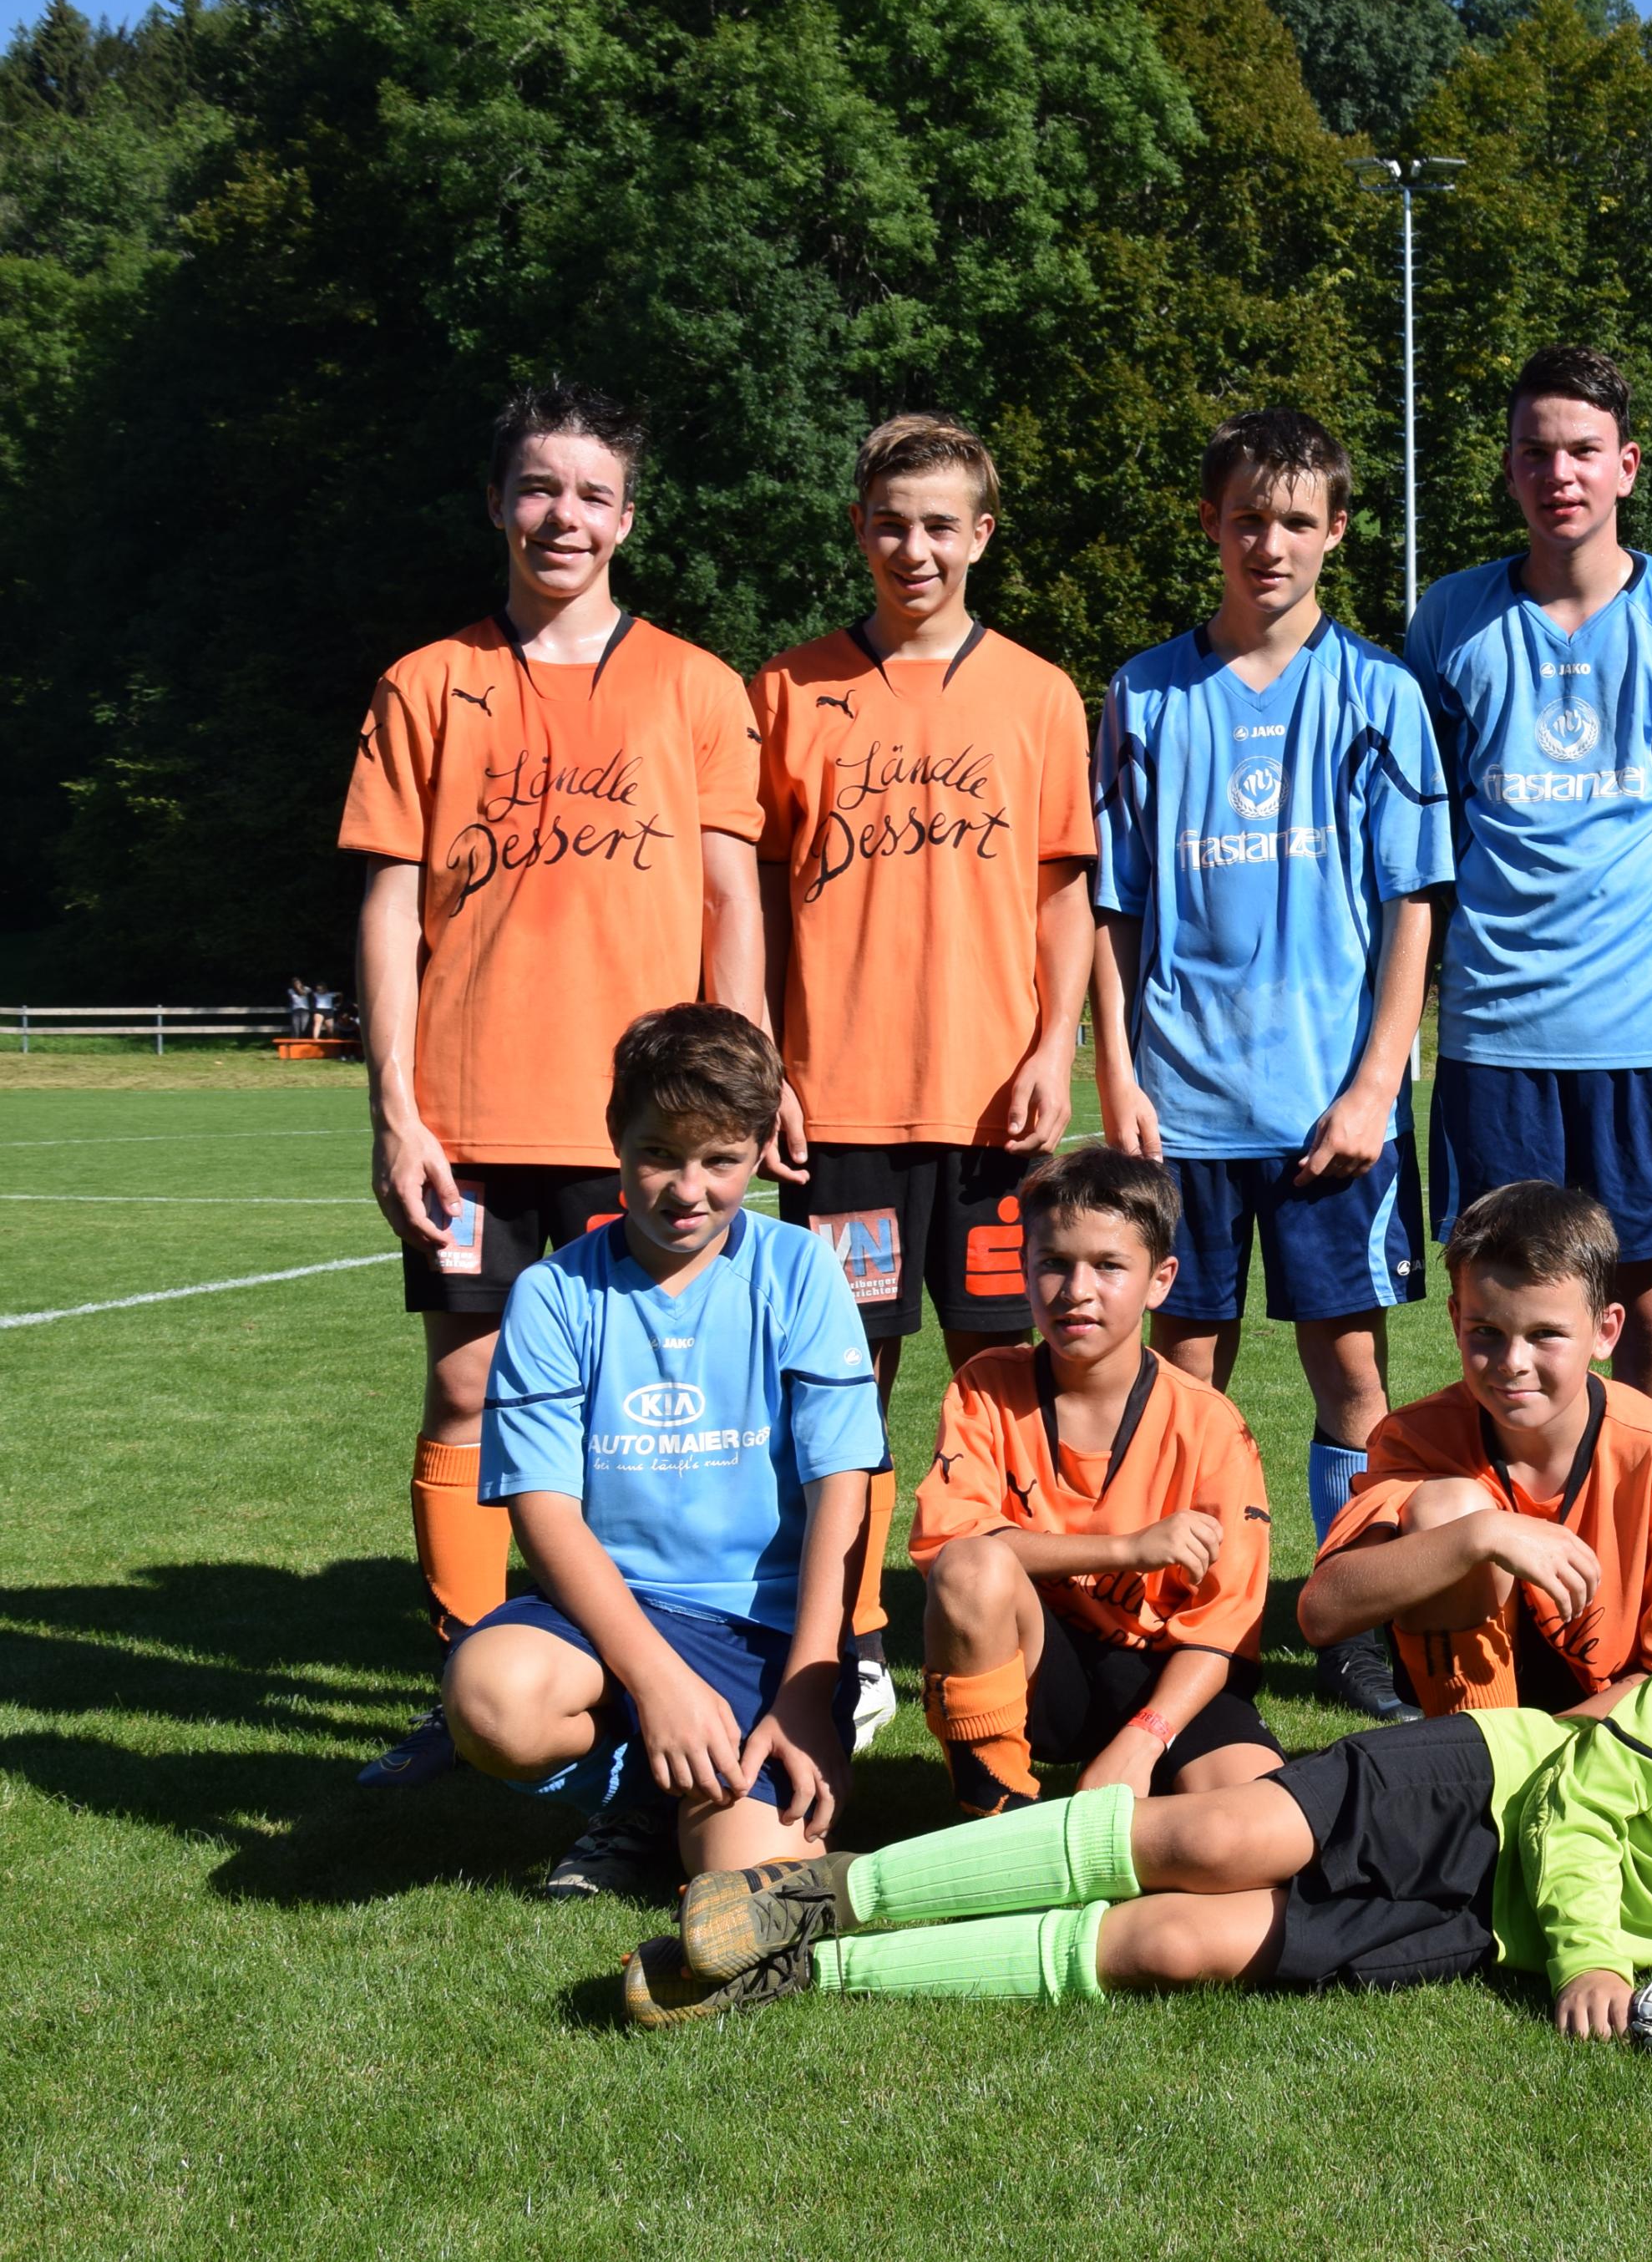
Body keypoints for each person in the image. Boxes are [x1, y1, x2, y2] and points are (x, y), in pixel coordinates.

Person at [621, 1433, 1652, 2030]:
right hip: (1499, 1787)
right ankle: (823, 1892)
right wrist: (1600, 1948)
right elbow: (1591, 1799)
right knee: (1210, 1835)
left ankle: (815, 1972)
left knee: (1177, 1944)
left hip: (1500, 1925)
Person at [342, 382, 772, 1788]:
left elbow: (730, 897)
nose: (563, 517)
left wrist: (742, 1087)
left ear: (628, 518)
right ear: (496, 503)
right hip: (470, 1116)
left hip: (642, 1129)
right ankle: (464, 1679)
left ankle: (649, 1681)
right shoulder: (425, 682)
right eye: (539, 488)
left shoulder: (697, 686)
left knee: (644, 1414)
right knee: (466, 1393)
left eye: (592, 494)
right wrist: (395, 1107)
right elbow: (389, 905)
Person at [1088, 408, 1450, 1722]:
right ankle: (1193, 1613)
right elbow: (1113, 909)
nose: (1271, 542)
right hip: (1182, 1107)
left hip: (1326, 1114)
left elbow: (1414, 902)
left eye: (1298, 519)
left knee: (1351, 1376)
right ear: (1211, 523)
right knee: (1186, 1379)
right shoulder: (1145, 693)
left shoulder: (1381, 695)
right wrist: (1118, 1073)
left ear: (1337, 530)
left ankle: (1350, 1624)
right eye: (1248, 517)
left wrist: (1375, 1085)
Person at [751, 412, 1098, 1752]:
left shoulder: (1040, 693)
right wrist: (768, 1062)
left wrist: (1050, 1046)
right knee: (845, 1390)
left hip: (993, 1110)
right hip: (840, 1105)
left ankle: (1027, 1628)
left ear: (982, 535)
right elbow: (753, 901)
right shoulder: (789, 689)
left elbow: (1063, 894)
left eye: (941, 524)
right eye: (891, 523)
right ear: (859, 530)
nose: (915, 548)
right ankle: (848, 1646)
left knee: (1012, 1380)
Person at [1398, 346, 1652, 1426]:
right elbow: (1428, 833)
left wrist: (1636, 924)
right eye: (1536, 451)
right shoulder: (1449, 621)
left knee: (1647, 1325)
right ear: (1510, 468)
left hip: (1650, 1034)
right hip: (1497, 1038)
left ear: (1627, 466)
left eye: (1583, 451)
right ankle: (1511, 1536)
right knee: (1503, 1327)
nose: (1559, 472)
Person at [438, 1006, 881, 1897]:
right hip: (614, 1617)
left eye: (720, 1160)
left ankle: (686, 1792)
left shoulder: (799, 1268)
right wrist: (656, 1681)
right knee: (492, 1698)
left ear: (760, 1149)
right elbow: (543, 1510)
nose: (689, 1189)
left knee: (755, 1885)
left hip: (761, 1631)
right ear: (615, 1135)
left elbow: (842, 1486)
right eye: (659, 1154)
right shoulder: (554, 1293)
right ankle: (643, 1792)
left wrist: (808, 1685)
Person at [908, 1147, 1282, 1816]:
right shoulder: (986, 1387)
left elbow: (1223, 1626)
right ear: (1026, 1268)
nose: (1076, 1289)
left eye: (1109, 1265)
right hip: (1039, 1664)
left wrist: (1144, 1738)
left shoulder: (1211, 1426)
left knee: (1255, 1820)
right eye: (1054, 1262)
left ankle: (1133, 1811)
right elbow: (949, 1546)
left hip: (1164, 1675)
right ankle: (995, 1816)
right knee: (970, 1568)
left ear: (1160, 1280)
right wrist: (1128, 1548)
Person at [1299, 1182, 1652, 1719]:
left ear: (1605, 1331)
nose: (1513, 1362)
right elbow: (1322, 1614)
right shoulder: (1418, 1437)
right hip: (1463, 1718)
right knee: (1450, 1507)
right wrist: (1481, 1535)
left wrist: (1554, 1744)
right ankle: (1476, 1745)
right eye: (1487, 1331)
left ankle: (1499, 1756)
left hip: (1604, 1721)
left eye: (1545, 1334)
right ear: (1455, 1320)